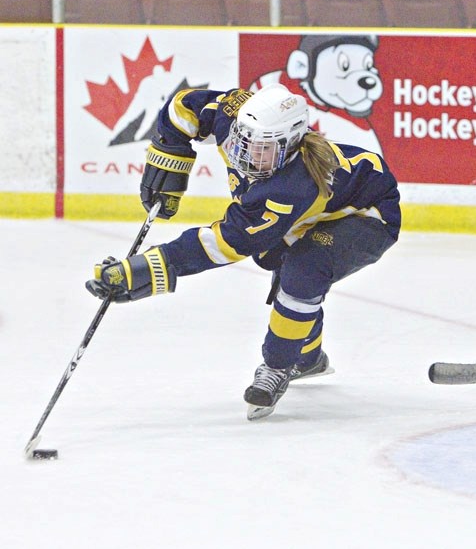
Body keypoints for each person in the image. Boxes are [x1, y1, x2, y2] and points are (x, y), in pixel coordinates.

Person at [86, 83, 401, 420]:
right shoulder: (237, 118)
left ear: (289, 145)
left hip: (367, 216)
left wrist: (147, 267)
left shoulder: (292, 186)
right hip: (316, 212)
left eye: (260, 149)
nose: (244, 154)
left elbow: (226, 243)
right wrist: (170, 161)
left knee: (303, 268)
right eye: (241, 141)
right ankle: (308, 358)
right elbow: (183, 107)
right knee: (271, 257)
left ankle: (278, 366)